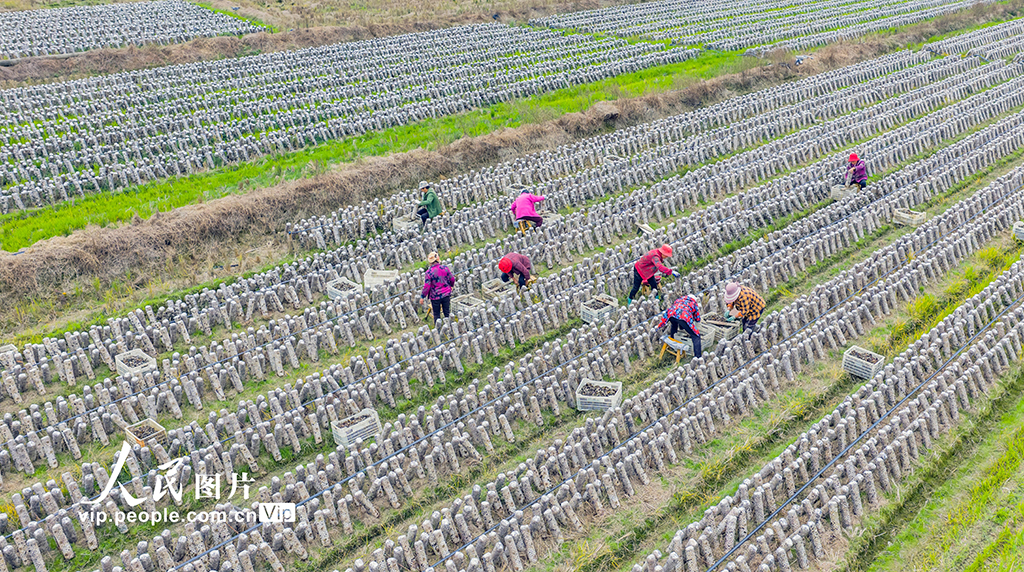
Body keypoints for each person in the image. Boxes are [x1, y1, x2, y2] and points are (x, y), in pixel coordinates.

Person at [421, 252, 455, 323]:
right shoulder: (445, 268)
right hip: (446, 294)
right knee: (447, 312)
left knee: (436, 314)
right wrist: (451, 286)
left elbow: (427, 286)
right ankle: (449, 327)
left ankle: (438, 330)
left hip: (435, 297)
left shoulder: (428, 273)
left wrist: (422, 296)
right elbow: (452, 279)